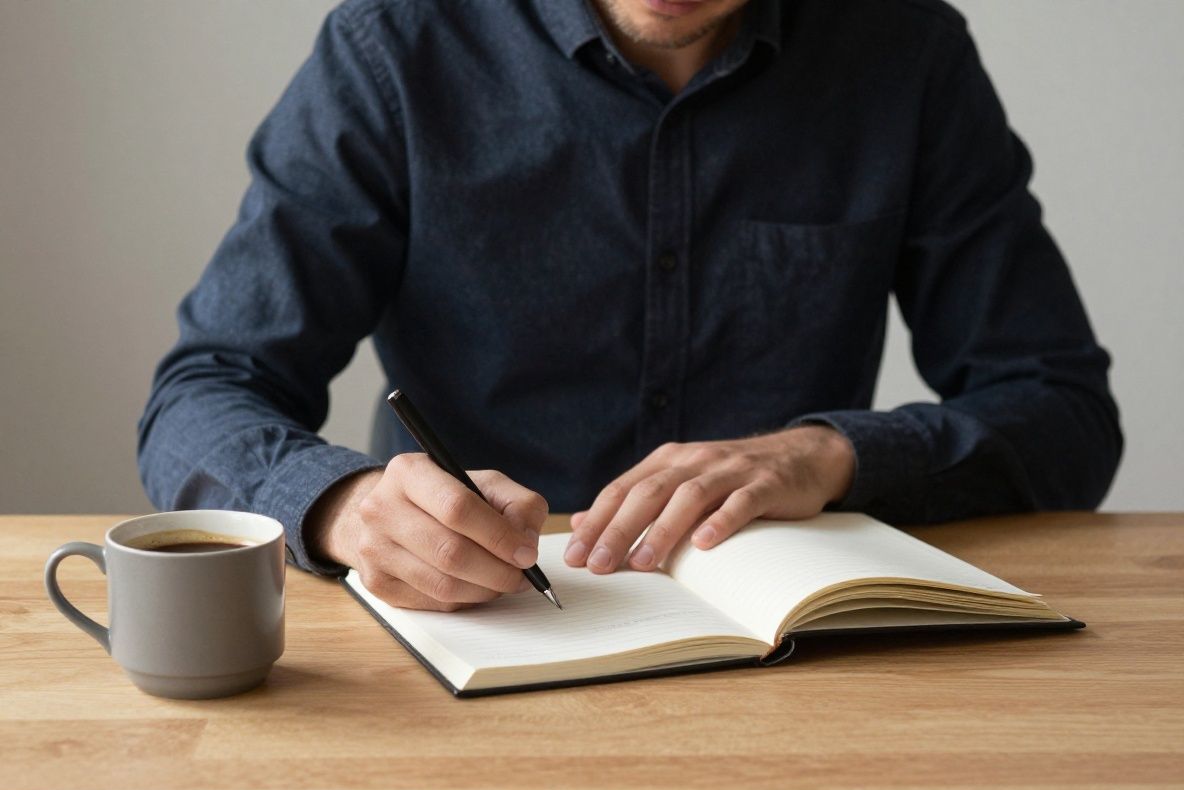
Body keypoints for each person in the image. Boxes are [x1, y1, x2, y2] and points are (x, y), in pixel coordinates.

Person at [138, 0, 1122, 612]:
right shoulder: (393, 48)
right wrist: (342, 506)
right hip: (475, 630)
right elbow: (205, 390)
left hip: (805, 659)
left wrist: (827, 452)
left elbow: (1060, 410)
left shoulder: (906, 55)